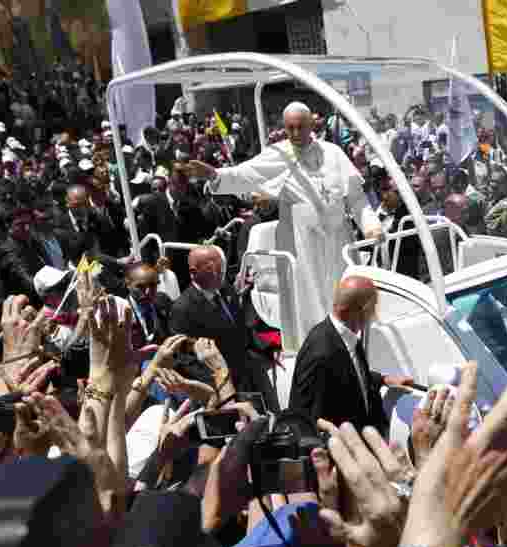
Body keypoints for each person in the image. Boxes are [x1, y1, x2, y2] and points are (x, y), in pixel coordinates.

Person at [186, 101, 381, 342]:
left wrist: (371, 225)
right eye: (290, 128)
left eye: (301, 127)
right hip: (301, 246)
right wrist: (214, 174)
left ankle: (351, 347)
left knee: (343, 299)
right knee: (309, 307)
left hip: (337, 242)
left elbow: (357, 199)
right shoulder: (279, 154)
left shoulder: (333, 153)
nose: (296, 134)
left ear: (312, 124)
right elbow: (243, 174)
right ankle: (314, 351)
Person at [288, 276, 412, 433]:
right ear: (358, 311)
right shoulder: (321, 353)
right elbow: (307, 417)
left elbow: (348, 374)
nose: (374, 315)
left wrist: (383, 379)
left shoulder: (347, 336)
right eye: (372, 307)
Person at [169, 246, 276, 404]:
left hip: (247, 374)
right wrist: (218, 384)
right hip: (220, 386)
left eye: (222, 270)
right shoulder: (183, 309)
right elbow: (184, 359)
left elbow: (240, 328)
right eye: (215, 271)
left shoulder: (225, 290)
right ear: (193, 272)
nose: (221, 275)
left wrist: (268, 349)